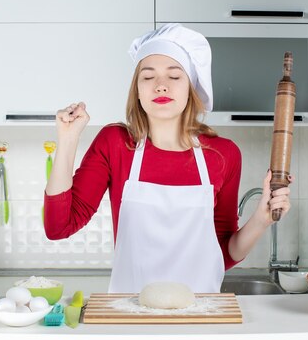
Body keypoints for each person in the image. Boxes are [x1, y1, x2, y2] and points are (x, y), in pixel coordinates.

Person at [44, 23, 292, 293]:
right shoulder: (115, 143)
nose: (161, 86)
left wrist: (261, 219)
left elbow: (223, 252)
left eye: (174, 77)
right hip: (131, 317)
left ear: (190, 88)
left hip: (200, 317)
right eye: (148, 77)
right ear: (137, 90)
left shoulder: (223, 154)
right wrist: (67, 140)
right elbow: (58, 227)